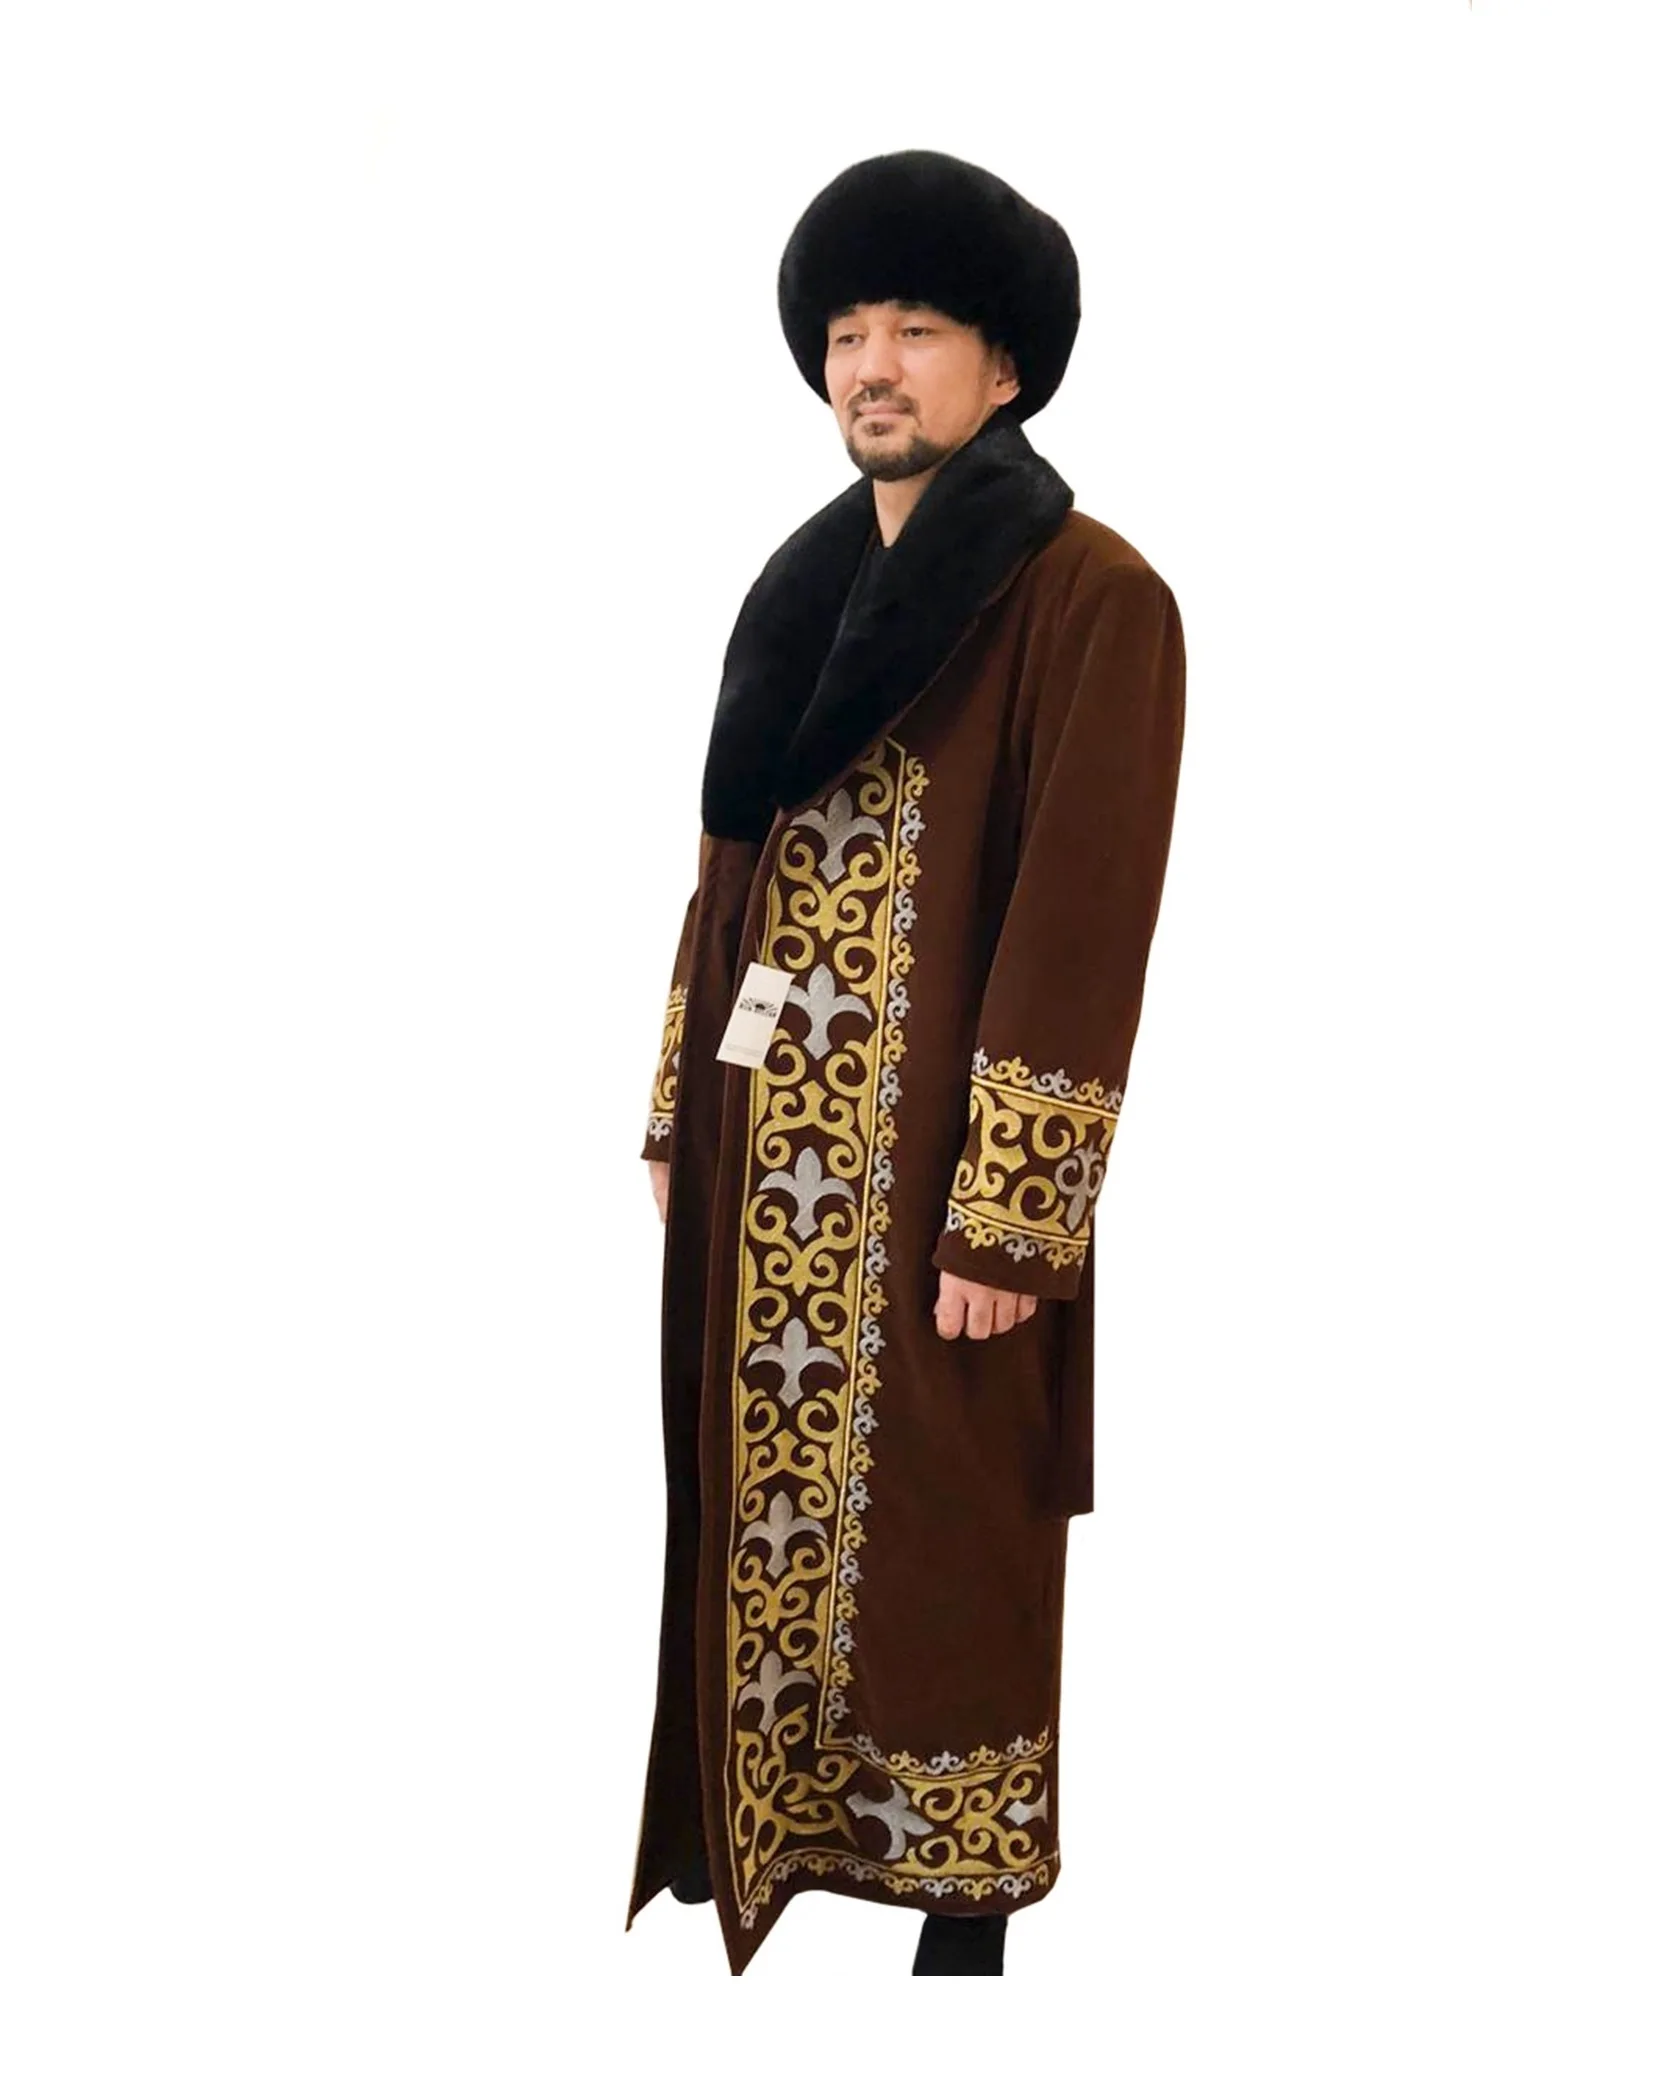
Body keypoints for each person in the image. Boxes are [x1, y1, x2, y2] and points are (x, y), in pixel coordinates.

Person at [622, 148, 1187, 1978]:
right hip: (763, 1169)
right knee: (760, 1511)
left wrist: (1011, 1222)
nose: (871, 364)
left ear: (1002, 368)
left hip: (941, 1183)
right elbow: (725, 871)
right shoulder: (796, 592)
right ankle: (777, 1842)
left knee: (951, 1544)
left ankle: (961, 1934)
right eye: (849, 332)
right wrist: (676, 1104)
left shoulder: (1093, 595)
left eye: (917, 330)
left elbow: (1083, 923)